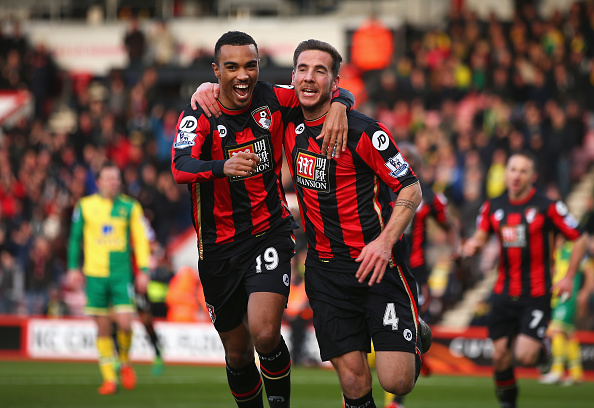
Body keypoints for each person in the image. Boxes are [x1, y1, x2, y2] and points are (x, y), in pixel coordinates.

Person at [193, 38, 432, 408]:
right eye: (302, 69)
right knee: (353, 379)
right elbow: (234, 90)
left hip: (375, 265)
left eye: (320, 71)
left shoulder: (365, 131)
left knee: (396, 382)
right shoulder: (284, 120)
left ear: (334, 82)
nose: (309, 78)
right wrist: (206, 87)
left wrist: (385, 241)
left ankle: (416, 336)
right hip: (324, 271)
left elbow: (411, 188)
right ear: (292, 77)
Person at [172, 31, 352, 408]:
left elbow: (318, 92)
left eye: (250, 65)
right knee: (237, 354)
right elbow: (180, 165)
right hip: (218, 249)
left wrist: (340, 104)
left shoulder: (273, 97)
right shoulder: (201, 111)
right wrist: (223, 166)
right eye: (232, 67)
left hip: (268, 233)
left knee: (266, 333)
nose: (243, 75)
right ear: (216, 71)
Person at [463, 151, 588, 408]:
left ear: (533, 176)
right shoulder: (493, 206)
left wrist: (568, 277)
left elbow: (580, 238)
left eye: (522, 171)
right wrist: (473, 245)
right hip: (503, 291)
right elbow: (481, 236)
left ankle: (543, 354)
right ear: (505, 173)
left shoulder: (548, 206)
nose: (516, 175)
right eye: (512, 169)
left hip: (537, 293)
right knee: (500, 357)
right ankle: (508, 405)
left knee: (525, 355)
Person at [386, 143, 459, 408]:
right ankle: (417, 352)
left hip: (415, 272)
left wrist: (457, 252)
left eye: (410, 160)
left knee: (408, 327)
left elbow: (449, 225)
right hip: (384, 266)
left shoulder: (430, 196)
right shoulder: (381, 186)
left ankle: (397, 399)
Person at [67, 161, 150, 395]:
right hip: (94, 276)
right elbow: (74, 238)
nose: (113, 182)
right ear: (98, 182)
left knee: (125, 322)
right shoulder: (84, 206)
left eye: (116, 178)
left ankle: (123, 361)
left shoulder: (130, 207)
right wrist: (73, 268)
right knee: (102, 328)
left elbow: (140, 239)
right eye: (109, 178)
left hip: (120, 274)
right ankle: (109, 379)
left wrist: (144, 269)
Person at [539, 238, 594, 385]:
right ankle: (577, 373)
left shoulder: (574, 249)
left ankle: (557, 370)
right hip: (556, 297)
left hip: (568, 297)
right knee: (568, 333)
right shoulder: (555, 251)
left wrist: (585, 292)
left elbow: (590, 271)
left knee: (555, 330)